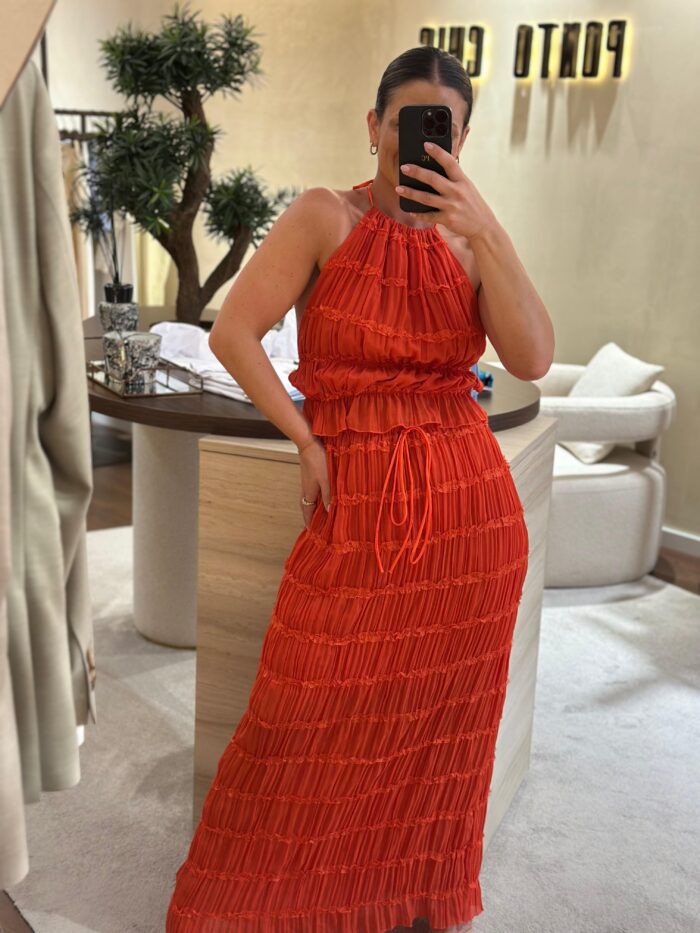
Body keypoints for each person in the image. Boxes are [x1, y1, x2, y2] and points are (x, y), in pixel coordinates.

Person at [166, 44, 553, 933]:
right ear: (374, 125)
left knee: (435, 734)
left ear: (461, 141)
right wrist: (305, 438)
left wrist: (489, 229)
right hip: (360, 507)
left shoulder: (472, 240)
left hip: (469, 524)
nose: (419, 142)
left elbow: (533, 356)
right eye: (405, 123)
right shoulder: (324, 216)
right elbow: (234, 333)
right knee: (303, 714)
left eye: (443, 130)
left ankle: (401, 904)